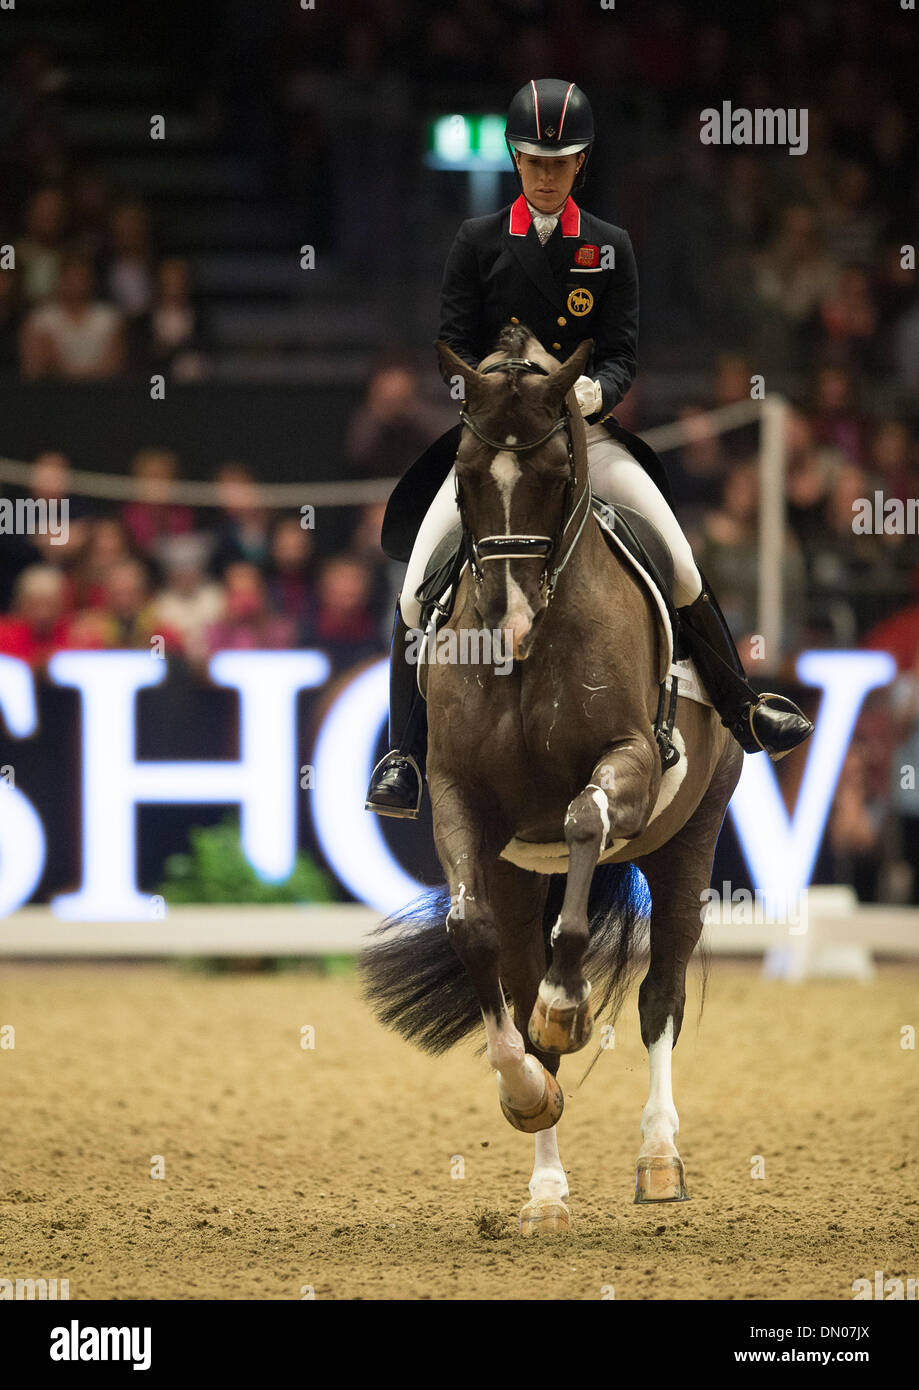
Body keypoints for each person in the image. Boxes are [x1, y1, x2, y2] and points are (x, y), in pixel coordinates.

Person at [366, 79, 813, 818]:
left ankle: (741, 706)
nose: (546, 176)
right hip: (498, 440)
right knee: (418, 583)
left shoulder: (609, 247)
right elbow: (453, 339)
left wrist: (591, 395)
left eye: (561, 162)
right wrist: (499, 392)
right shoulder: (477, 242)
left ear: (581, 163)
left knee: (675, 554)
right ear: (516, 159)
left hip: (584, 435)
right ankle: (403, 758)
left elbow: (621, 354)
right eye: (535, 162)